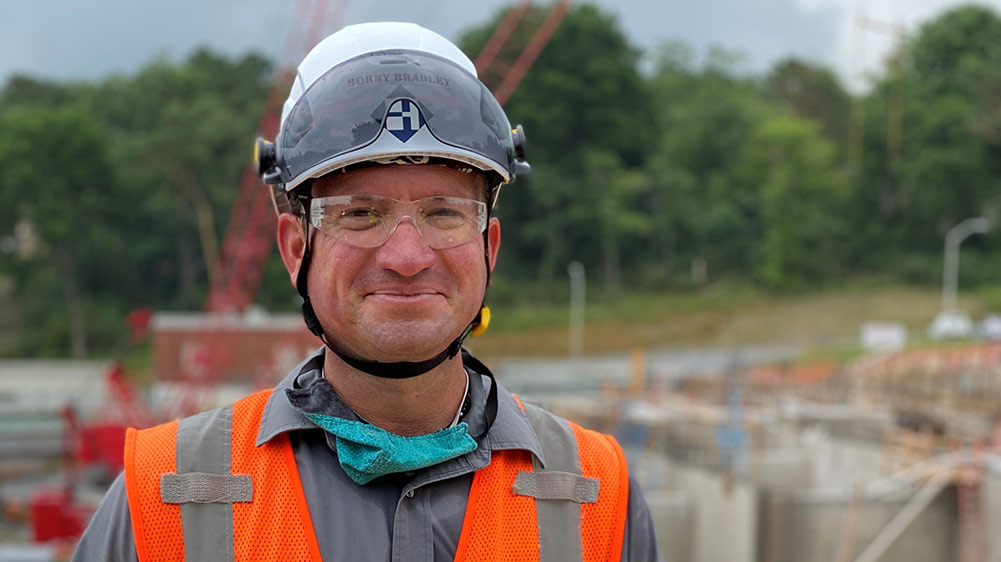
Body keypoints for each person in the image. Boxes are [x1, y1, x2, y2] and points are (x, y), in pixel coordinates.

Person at [73, 21, 659, 561]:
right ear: (296, 249)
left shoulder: (599, 497)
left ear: (490, 247)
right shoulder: (162, 498)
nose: (407, 257)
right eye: (359, 214)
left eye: (444, 213)